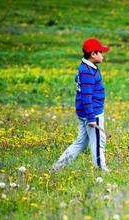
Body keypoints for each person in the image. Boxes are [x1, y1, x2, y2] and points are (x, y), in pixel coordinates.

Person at [52, 38, 110, 172]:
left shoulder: (85, 68)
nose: (102, 55)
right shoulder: (87, 72)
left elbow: (79, 81)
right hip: (92, 113)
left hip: (86, 112)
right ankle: (101, 169)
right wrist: (91, 117)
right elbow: (86, 96)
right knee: (98, 143)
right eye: (100, 52)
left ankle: (57, 168)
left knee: (81, 143)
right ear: (93, 54)